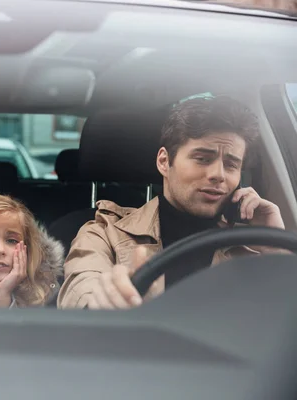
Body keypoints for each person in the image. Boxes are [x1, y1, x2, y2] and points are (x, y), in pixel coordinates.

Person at [58, 96, 286, 310]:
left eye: (231, 164)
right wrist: (107, 300)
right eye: (203, 159)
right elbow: (82, 292)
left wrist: (276, 248)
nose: (219, 175)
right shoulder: (104, 232)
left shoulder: (252, 245)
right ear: (164, 162)